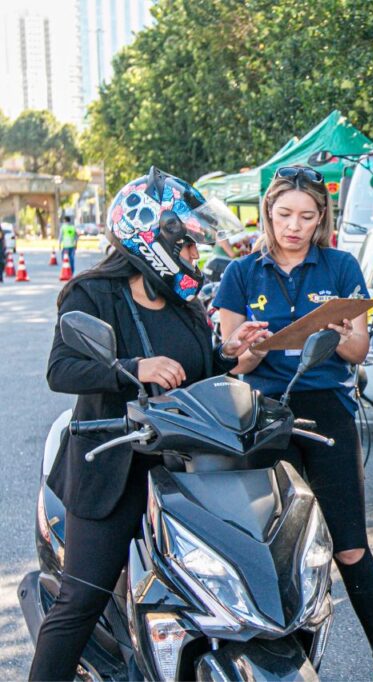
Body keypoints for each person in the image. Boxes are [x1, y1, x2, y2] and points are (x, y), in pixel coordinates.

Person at [30, 168, 271, 681]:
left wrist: (229, 352)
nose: (193, 258)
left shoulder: (186, 305)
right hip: (112, 466)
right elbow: (61, 370)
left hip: (183, 470)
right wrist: (129, 369)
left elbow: (196, 370)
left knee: (219, 597)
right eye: (187, 247)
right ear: (154, 239)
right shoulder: (93, 294)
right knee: (80, 601)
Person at [214, 164, 373, 682]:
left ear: (321, 218)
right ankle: (280, 662)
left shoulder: (341, 266)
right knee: (268, 548)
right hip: (261, 416)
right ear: (268, 214)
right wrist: (245, 350)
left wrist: (339, 333)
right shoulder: (239, 273)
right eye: (283, 215)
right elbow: (233, 363)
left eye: (305, 216)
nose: (293, 226)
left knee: (349, 544)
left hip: (327, 412)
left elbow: (360, 351)